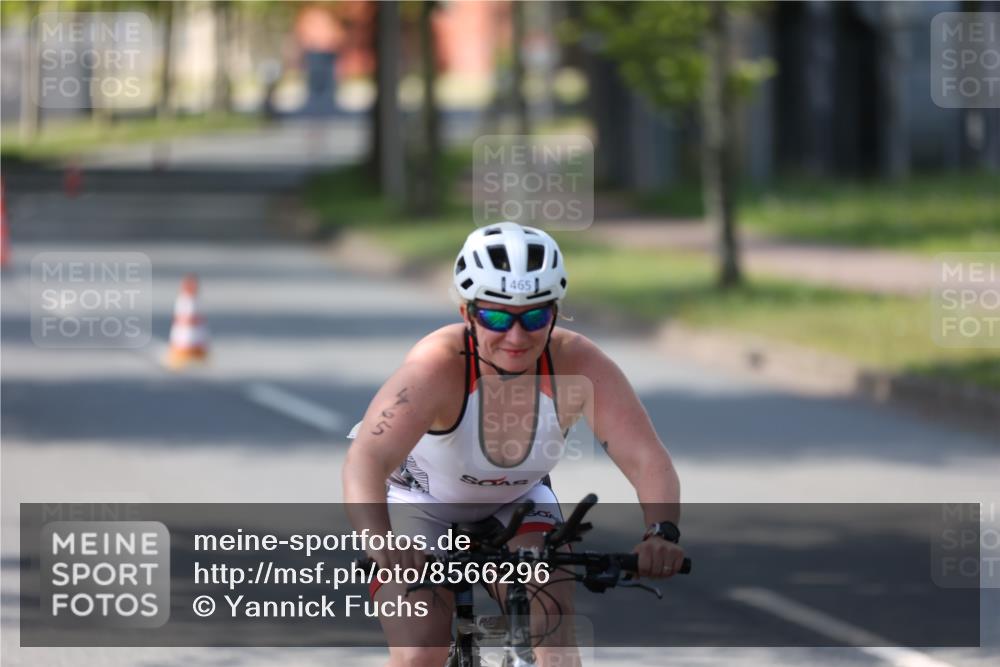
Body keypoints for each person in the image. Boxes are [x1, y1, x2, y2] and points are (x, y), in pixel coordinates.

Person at [342, 222, 684, 667]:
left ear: (555, 313)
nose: (517, 337)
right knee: (419, 653)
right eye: (498, 318)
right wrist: (378, 538)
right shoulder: (436, 367)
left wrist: (661, 532)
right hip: (418, 502)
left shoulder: (579, 364)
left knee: (554, 646)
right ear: (467, 313)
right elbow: (367, 458)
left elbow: (645, 456)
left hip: (517, 502)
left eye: (535, 318)